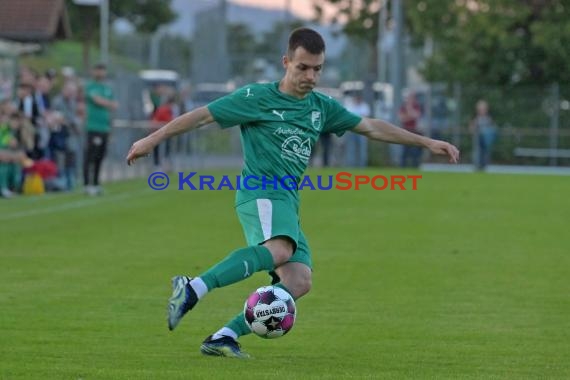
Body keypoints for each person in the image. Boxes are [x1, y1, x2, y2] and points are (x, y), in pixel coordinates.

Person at [126, 28, 460, 358]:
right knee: (280, 250)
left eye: (317, 69)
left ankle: (223, 336)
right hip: (260, 192)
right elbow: (201, 116)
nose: (311, 76)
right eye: (303, 67)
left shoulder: (321, 107)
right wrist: (151, 139)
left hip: (287, 200)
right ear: (286, 62)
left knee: (299, 280)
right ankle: (193, 287)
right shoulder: (256, 98)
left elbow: (371, 126)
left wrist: (426, 141)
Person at [83, 63, 118, 196]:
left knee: (100, 156)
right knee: (90, 155)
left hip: (105, 127)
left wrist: (108, 104)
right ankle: (87, 184)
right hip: (93, 127)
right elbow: (98, 101)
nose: (101, 73)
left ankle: (96, 183)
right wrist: (108, 103)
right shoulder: (91, 86)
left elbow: (114, 105)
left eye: (103, 71)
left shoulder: (107, 88)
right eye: (98, 70)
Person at [344, 93, 371, 167]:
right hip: (351, 130)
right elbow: (347, 117)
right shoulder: (350, 106)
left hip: (362, 132)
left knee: (362, 150)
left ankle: (362, 166)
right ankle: (351, 165)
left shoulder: (364, 106)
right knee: (351, 149)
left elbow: (365, 117)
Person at [469, 99, 496, 170]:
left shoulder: (488, 119)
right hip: (478, 139)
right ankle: (477, 165)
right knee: (477, 153)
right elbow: (471, 128)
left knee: (485, 153)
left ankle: (484, 165)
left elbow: (492, 129)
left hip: (485, 140)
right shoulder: (476, 119)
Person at [398, 91, 423, 168]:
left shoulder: (416, 106)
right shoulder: (403, 107)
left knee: (415, 151)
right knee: (405, 151)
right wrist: (410, 116)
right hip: (405, 130)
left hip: (414, 131)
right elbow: (402, 119)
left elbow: (416, 116)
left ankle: (415, 167)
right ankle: (403, 168)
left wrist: (409, 108)